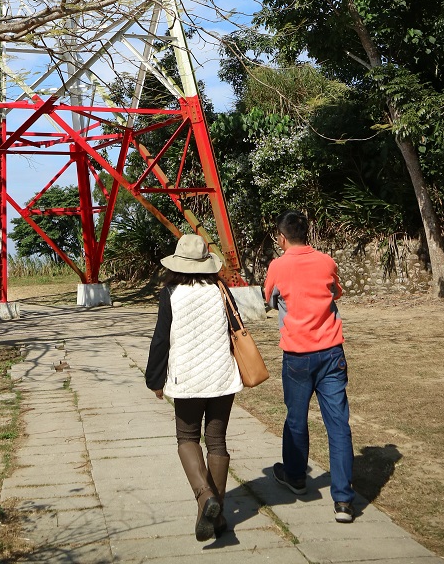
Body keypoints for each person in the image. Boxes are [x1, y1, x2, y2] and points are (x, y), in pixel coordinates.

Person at [145, 233, 243, 542]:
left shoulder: (171, 294)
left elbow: (161, 340)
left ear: (177, 265)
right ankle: (218, 515)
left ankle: (204, 499)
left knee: (187, 437)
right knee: (217, 442)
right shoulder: (221, 290)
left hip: (186, 378)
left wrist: (155, 380)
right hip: (222, 377)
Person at [264, 210, 356, 523]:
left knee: (296, 418)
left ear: (281, 237)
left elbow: (270, 298)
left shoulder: (278, 265)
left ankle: (296, 476)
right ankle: (343, 500)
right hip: (331, 351)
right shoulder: (327, 261)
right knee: (338, 425)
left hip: (297, 354)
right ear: (308, 234)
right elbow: (335, 292)